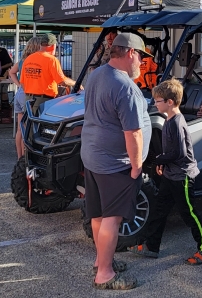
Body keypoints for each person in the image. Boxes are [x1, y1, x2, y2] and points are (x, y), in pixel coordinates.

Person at [80, 32, 153, 290]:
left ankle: (101, 261)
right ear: (130, 53)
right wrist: (136, 165)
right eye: (141, 57)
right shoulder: (125, 87)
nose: (142, 63)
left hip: (93, 155)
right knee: (112, 218)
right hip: (115, 162)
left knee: (98, 214)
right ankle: (105, 274)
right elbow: (132, 132)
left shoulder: (98, 74)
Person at [128, 79, 202, 265]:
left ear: (170, 102)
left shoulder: (176, 123)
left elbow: (179, 153)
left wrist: (159, 159)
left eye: (158, 100)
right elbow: (171, 152)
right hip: (170, 174)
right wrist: (163, 163)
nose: (155, 103)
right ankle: (152, 246)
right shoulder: (168, 119)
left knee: (189, 213)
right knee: (160, 210)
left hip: (182, 176)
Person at [20, 33, 77, 115]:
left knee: (30, 126)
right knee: (44, 126)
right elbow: (62, 81)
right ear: (53, 46)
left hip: (28, 100)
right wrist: (76, 84)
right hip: (44, 101)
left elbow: (22, 83)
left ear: (40, 44)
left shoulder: (28, 59)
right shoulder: (51, 60)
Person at [7, 37, 44, 159]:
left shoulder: (23, 61)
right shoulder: (37, 61)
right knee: (28, 129)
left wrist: (18, 85)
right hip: (29, 94)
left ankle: (20, 157)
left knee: (20, 129)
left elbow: (11, 72)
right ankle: (26, 158)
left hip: (20, 93)